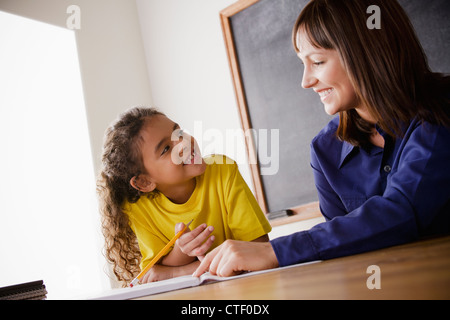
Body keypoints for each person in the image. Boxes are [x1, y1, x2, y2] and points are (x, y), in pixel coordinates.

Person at [193, 0, 450, 278]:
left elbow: (401, 211)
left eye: (317, 62)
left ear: (366, 51)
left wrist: (275, 251)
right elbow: (344, 245)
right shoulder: (325, 149)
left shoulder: (440, 110)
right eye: (303, 64)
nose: (306, 81)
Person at [97, 107, 271, 285]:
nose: (182, 143)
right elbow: (152, 274)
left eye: (178, 132)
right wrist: (182, 252)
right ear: (144, 182)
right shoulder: (137, 208)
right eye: (165, 149)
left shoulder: (223, 171)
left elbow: (259, 251)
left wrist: (175, 272)